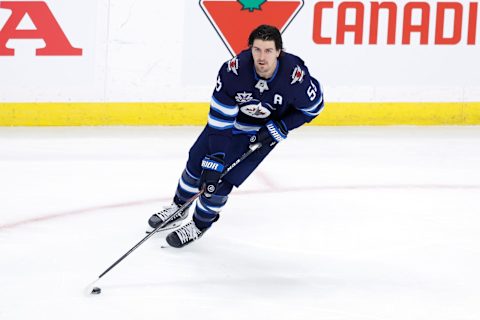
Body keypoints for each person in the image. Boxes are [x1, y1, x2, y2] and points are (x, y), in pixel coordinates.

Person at [148, 24, 324, 248]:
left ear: (279, 51)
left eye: (268, 50)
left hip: (262, 133)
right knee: (196, 163)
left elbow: (314, 108)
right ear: (250, 49)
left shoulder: (295, 77)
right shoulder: (234, 72)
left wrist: (282, 126)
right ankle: (179, 207)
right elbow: (220, 120)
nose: (262, 57)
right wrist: (217, 157)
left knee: (221, 182)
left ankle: (200, 224)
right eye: (257, 50)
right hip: (229, 125)